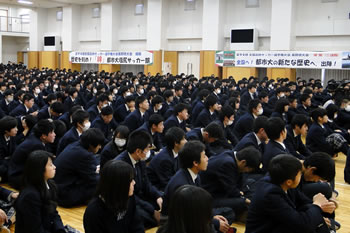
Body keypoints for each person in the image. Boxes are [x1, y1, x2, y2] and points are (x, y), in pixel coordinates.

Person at [245, 154, 336, 233]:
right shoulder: (270, 194)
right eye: (299, 174)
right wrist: (317, 206)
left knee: (317, 222)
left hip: (278, 226)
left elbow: (303, 202)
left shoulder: (283, 181)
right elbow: (301, 225)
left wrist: (319, 210)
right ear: (289, 181)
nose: (301, 176)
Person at [115, 130, 162, 228]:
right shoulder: (121, 166)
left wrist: (158, 197)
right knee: (148, 219)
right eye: (147, 149)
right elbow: (129, 196)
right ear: (138, 151)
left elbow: (147, 183)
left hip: (140, 197)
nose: (149, 152)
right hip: (126, 202)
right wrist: (151, 210)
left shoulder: (140, 159)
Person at [200, 147, 261, 220]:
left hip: (221, 190)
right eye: (249, 169)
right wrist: (243, 197)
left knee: (250, 182)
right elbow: (231, 190)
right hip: (211, 197)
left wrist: (240, 193)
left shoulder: (231, 155)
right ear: (243, 162)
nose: (247, 171)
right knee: (244, 202)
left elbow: (238, 183)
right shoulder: (227, 163)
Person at [83, 160, 144, 233]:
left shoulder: (129, 198)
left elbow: (137, 227)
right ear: (118, 185)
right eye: (130, 180)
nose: (134, 182)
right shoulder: (94, 212)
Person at [14, 150, 66, 233]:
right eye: (50, 165)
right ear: (40, 169)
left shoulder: (50, 185)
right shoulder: (30, 196)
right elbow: (34, 228)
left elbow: (54, 212)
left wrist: (60, 230)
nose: (54, 167)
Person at [54, 128, 105, 207]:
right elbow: (93, 179)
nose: (100, 147)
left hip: (58, 189)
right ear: (91, 145)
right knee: (101, 185)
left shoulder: (74, 145)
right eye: (99, 145)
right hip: (65, 196)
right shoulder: (84, 155)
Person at [8, 119, 56, 189]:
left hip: (19, 173)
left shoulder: (35, 138)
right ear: (44, 136)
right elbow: (39, 168)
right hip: (18, 177)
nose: (55, 134)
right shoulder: (36, 145)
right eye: (52, 132)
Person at [147, 127, 186, 191]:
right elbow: (168, 183)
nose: (186, 141)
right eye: (183, 139)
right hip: (157, 188)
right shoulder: (165, 160)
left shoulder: (176, 151)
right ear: (176, 143)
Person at [0, 116, 18, 182]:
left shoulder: (12, 136)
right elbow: (1, 160)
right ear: (6, 130)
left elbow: (15, 151)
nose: (17, 129)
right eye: (14, 128)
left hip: (8, 162)